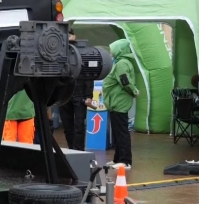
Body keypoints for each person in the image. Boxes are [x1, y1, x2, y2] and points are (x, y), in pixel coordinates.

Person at [102, 39, 139, 169]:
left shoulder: (122, 64)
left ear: (119, 50)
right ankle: (118, 158)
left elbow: (125, 81)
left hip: (119, 103)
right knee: (117, 132)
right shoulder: (120, 62)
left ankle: (125, 161)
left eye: (112, 49)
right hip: (115, 103)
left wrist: (134, 90)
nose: (110, 51)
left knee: (122, 132)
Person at [58, 28, 94, 150]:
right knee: (67, 126)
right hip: (64, 95)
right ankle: (71, 149)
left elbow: (89, 75)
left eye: (70, 35)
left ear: (74, 36)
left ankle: (79, 151)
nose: (68, 38)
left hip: (80, 95)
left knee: (79, 126)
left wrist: (89, 95)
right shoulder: (58, 52)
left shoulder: (83, 52)